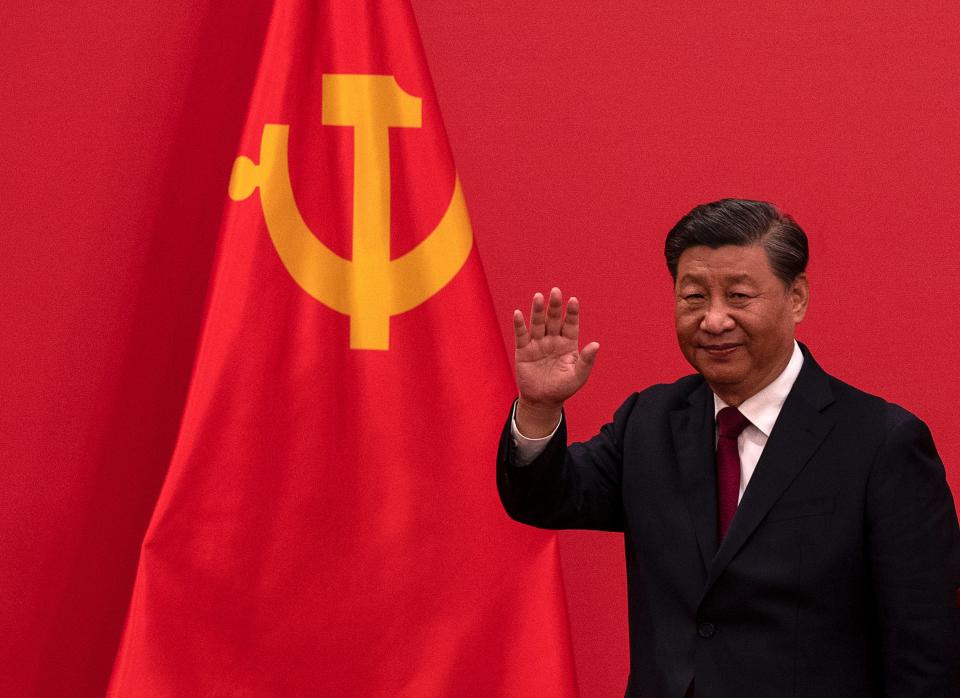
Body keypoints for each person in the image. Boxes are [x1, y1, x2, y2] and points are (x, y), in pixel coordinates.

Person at [496, 199, 960, 697]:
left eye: (738, 296)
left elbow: (927, 646)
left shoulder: (880, 441)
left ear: (797, 297)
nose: (714, 320)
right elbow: (544, 497)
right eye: (694, 297)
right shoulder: (649, 422)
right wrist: (540, 408)